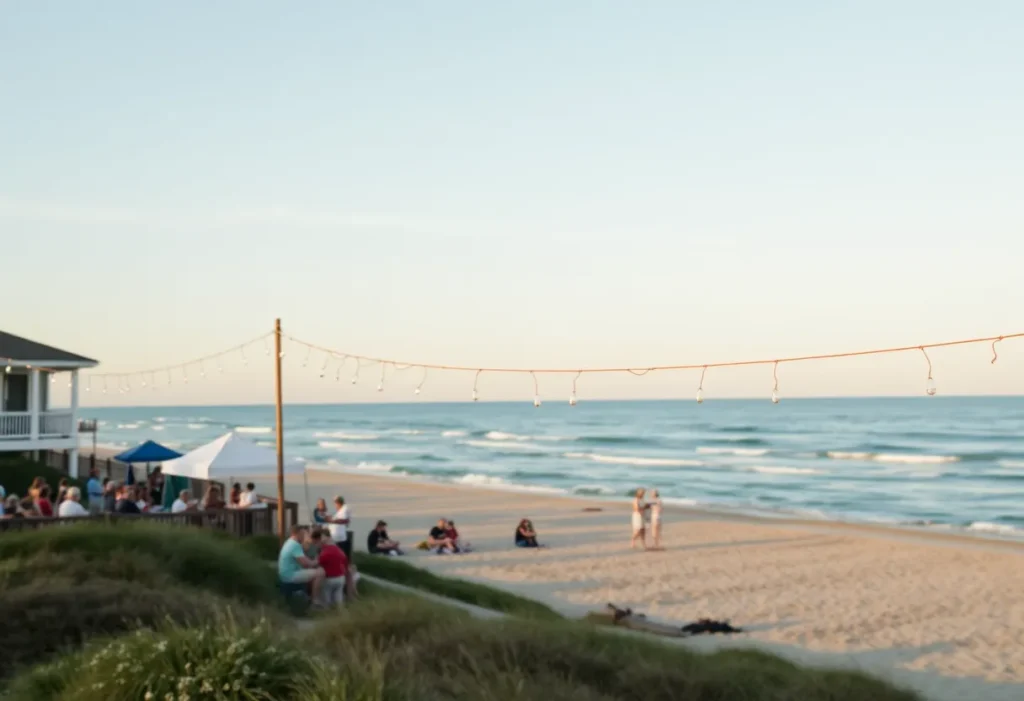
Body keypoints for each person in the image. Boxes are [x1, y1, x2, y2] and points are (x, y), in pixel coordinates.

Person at [278, 525, 325, 605]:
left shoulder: (289, 542)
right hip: (290, 575)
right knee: (320, 572)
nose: (304, 536)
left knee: (313, 571)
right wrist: (318, 561)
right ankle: (315, 600)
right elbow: (305, 563)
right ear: (298, 534)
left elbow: (304, 560)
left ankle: (309, 596)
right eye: (303, 534)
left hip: (286, 574)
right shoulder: (295, 545)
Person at [311, 527, 355, 607]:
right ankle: (342, 610)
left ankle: (321, 605)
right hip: (340, 579)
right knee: (339, 603)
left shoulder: (324, 553)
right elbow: (347, 569)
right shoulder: (340, 551)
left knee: (326, 603)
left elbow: (315, 564)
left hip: (329, 580)